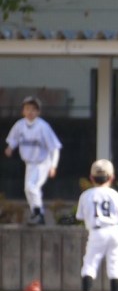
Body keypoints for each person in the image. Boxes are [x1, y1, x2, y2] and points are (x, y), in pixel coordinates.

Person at [71, 159, 118, 291]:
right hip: (115, 229)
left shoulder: (86, 195)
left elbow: (80, 216)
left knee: (90, 264)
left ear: (91, 178)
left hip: (97, 230)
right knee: (115, 264)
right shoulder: (115, 195)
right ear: (111, 177)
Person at [4, 96, 62, 225]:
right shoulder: (20, 125)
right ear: (23, 111)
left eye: (34, 109)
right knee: (28, 189)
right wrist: (10, 147)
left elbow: (55, 148)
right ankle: (37, 214)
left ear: (38, 112)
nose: (30, 112)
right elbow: (14, 139)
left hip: (42, 162)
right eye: (27, 109)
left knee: (32, 187)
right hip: (29, 163)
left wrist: (53, 165)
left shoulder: (43, 126)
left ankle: (37, 213)